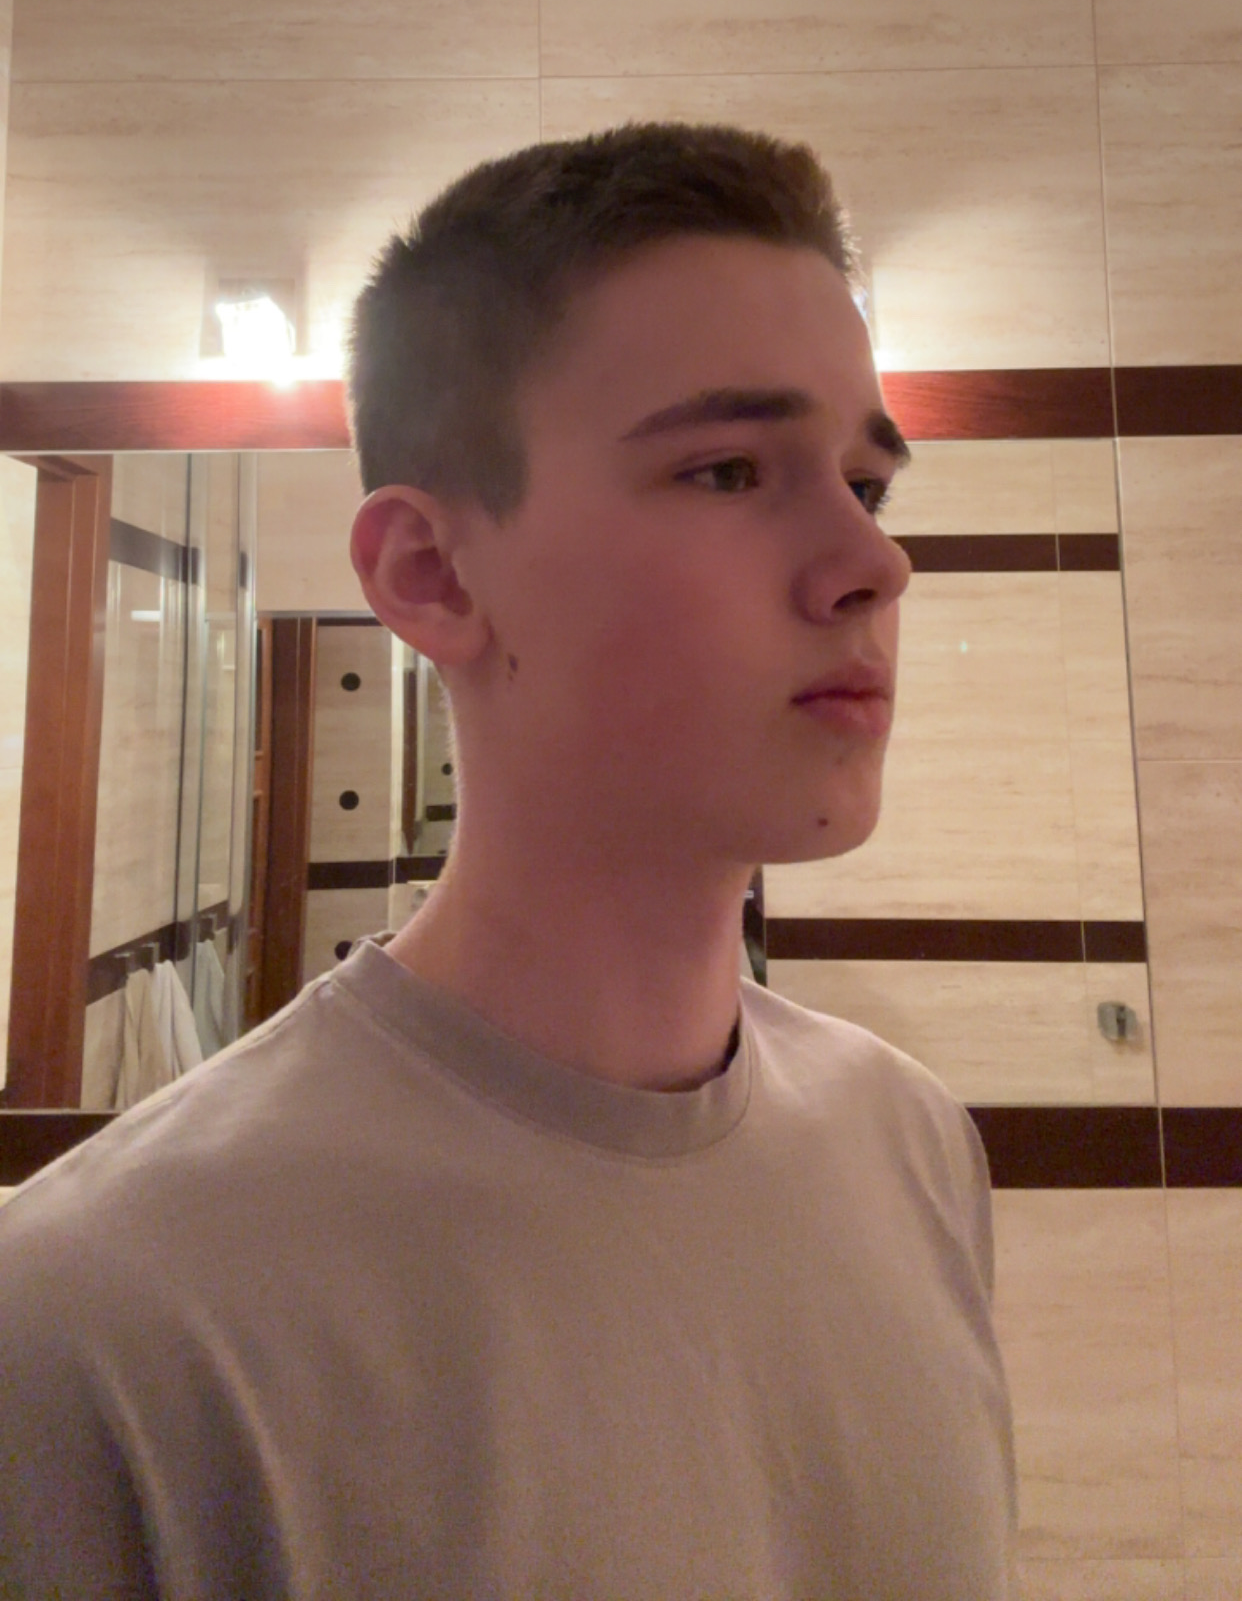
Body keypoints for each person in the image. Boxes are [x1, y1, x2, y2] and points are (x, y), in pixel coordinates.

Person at [0, 124, 1016, 1599]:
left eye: (867, 484)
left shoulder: (910, 1147)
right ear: (430, 574)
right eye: (729, 469)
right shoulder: (94, 1325)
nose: (875, 563)